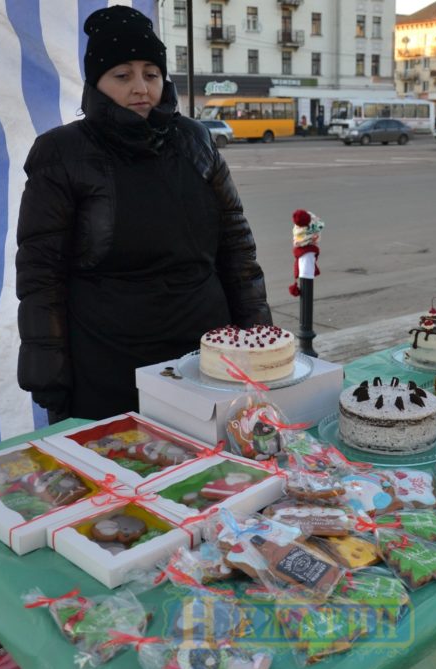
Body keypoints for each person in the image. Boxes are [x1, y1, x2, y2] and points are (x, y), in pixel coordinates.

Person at [16, 6, 272, 422]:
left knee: (211, 476)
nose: (141, 88)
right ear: (96, 82)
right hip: (108, 362)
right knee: (123, 477)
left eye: (151, 74)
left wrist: (257, 333)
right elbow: (40, 272)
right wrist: (46, 367)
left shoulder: (195, 140)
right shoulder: (62, 152)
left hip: (203, 356)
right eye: (123, 75)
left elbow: (236, 246)